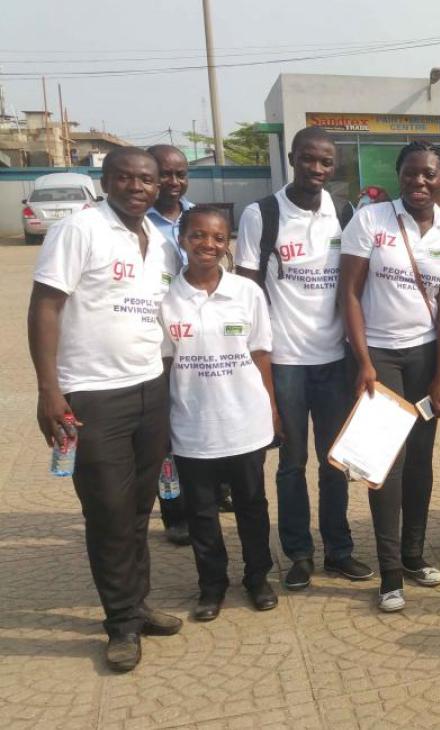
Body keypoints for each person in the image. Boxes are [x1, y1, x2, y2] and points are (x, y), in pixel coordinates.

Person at [28, 147, 184, 672]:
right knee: (108, 511)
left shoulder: (162, 244)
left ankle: (136, 604)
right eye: (126, 177)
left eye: (147, 179)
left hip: (149, 387)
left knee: (140, 507)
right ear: (106, 180)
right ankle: (119, 624)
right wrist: (49, 390)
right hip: (92, 395)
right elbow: (45, 306)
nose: (138, 186)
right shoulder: (79, 230)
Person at [236, 126, 374, 592]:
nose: (317, 169)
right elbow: (248, 291)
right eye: (309, 159)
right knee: (291, 464)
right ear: (293, 158)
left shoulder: (346, 213)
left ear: (334, 167)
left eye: (326, 162)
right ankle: (299, 553)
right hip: (286, 362)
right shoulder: (264, 214)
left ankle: (339, 550)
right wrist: (256, 364)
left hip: (334, 361)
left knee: (335, 460)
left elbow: (358, 286)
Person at [339, 140, 440, 612]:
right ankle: (390, 574)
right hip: (379, 355)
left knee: (419, 459)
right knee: (384, 465)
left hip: (425, 356)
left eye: (430, 174)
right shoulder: (370, 220)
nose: (420, 182)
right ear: (400, 175)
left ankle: (414, 557)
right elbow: (350, 294)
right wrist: (365, 363)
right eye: (411, 173)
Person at [160, 206, 281, 621]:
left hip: (244, 421)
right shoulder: (168, 298)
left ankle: (257, 577)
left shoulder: (247, 293)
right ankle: (211, 586)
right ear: (182, 239)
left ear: (227, 244)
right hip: (193, 427)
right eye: (197, 236)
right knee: (202, 514)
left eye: (217, 238)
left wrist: (272, 410)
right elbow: (164, 365)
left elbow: (262, 354)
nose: (207, 245)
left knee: (252, 505)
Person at [144, 143, 194, 544]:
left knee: (197, 419)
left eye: (180, 173)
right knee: (165, 434)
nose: (173, 182)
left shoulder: (196, 218)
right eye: (165, 173)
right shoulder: (138, 224)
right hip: (156, 344)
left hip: (196, 342)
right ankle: (174, 510)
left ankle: (207, 493)